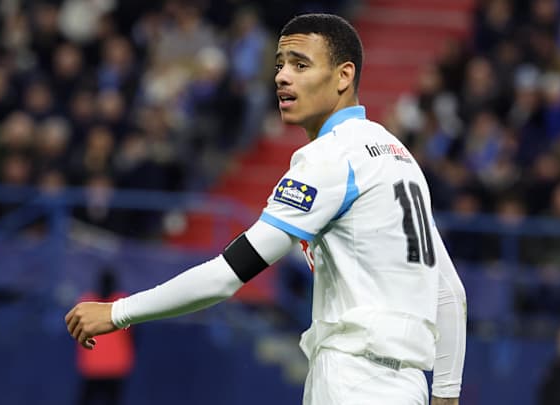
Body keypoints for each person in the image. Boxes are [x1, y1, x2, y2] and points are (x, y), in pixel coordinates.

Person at [65, 13, 467, 405]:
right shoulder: (397, 155)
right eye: (279, 65)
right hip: (406, 386)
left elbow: (227, 275)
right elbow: (449, 293)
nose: (282, 77)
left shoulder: (329, 158)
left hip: (354, 382)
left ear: (344, 76)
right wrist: (446, 394)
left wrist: (118, 312)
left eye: (300, 65)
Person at [75, 268, 135, 405]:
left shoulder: (87, 302)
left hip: (99, 366)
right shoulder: (122, 304)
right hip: (111, 366)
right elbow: (134, 335)